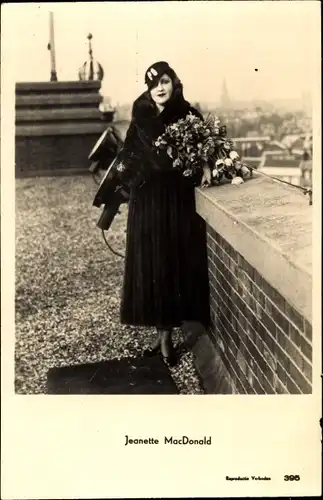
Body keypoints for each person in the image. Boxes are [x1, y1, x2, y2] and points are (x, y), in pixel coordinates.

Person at [118, 61, 211, 366]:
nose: (160, 88)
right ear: (148, 88)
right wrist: (128, 179)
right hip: (147, 202)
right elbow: (127, 154)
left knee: (171, 265)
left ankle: (167, 339)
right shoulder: (140, 117)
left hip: (175, 202)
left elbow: (206, 146)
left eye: (165, 81)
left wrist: (206, 166)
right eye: (154, 83)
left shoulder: (188, 114)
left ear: (174, 83)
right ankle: (164, 338)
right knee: (152, 267)